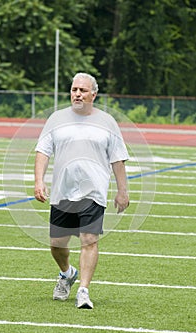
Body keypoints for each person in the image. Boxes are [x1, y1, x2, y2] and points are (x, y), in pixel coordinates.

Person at [34, 72, 129, 309]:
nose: (77, 94)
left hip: (93, 192)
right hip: (62, 193)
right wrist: (39, 181)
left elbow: (118, 159)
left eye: (83, 91)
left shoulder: (107, 122)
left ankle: (84, 291)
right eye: (74, 90)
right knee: (57, 245)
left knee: (89, 240)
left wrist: (122, 191)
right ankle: (67, 273)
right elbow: (43, 151)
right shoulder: (56, 119)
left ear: (93, 95)